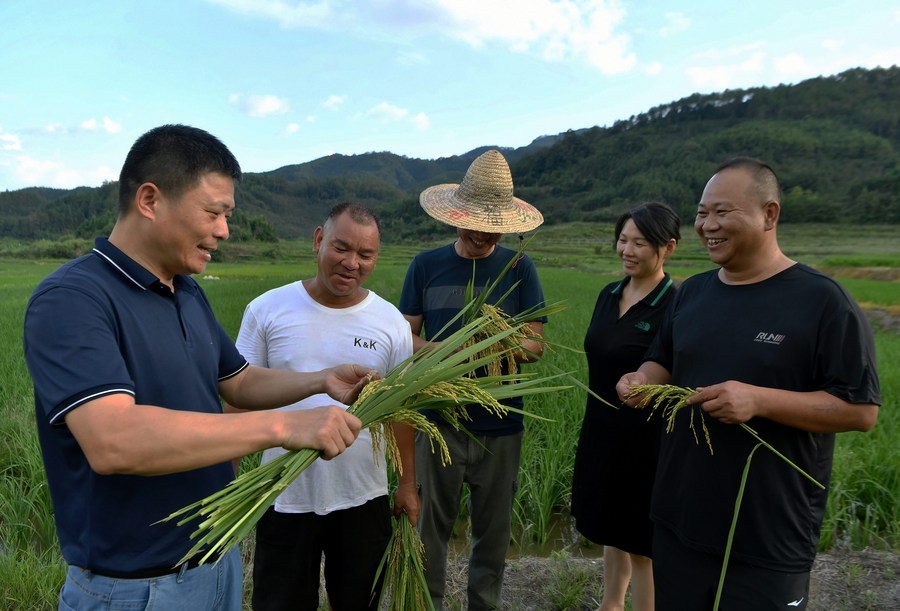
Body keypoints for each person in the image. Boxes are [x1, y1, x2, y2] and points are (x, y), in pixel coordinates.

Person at [22, 124, 369, 611]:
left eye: (227, 214)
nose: (224, 230)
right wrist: (285, 426)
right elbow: (113, 440)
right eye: (214, 212)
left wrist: (321, 381)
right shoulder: (74, 298)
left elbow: (240, 380)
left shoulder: (186, 292)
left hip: (216, 560)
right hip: (136, 589)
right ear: (150, 200)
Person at [616, 157, 881, 610]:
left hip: (766, 535)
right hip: (679, 520)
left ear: (770, 214)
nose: (708, 225)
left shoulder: (822, 301)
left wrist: (758, 400)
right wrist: (641, 380)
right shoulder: (693, 293)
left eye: (722, 212)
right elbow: (662, 359)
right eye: (702, 213)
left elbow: (860, 411)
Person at [225, 202, 418, 610]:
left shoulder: (390, 323)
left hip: (362, 497)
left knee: (357, 603)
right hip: (283, 494)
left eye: (365, 255)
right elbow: (238, 401)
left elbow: (402, 415)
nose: (352, 263)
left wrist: (405, 486)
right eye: (341, 248)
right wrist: (226, 478)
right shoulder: (267, 309)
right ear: (318, 240)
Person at [398, 149, 547, 610]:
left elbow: (536, 346)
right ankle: (429, 604)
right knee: (431, 531)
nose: (481, 233)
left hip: (500, 427)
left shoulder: (520, 269)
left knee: (492, 537)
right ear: (455, 215)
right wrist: (445, 353)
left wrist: (497, 340)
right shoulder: (426, 265)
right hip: (437, 420)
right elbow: (406, 338)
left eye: (491, 225)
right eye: (473, 221)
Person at [571, 202, 681, 611]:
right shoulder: (609, 294)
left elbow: (679, 368)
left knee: (641, 542)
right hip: (600, 428)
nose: (627, 250)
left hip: (647, 440)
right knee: (609, 528)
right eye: (623, 240)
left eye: (640, 242)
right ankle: (610, 604)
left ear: (666, 248)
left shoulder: (676, 302)